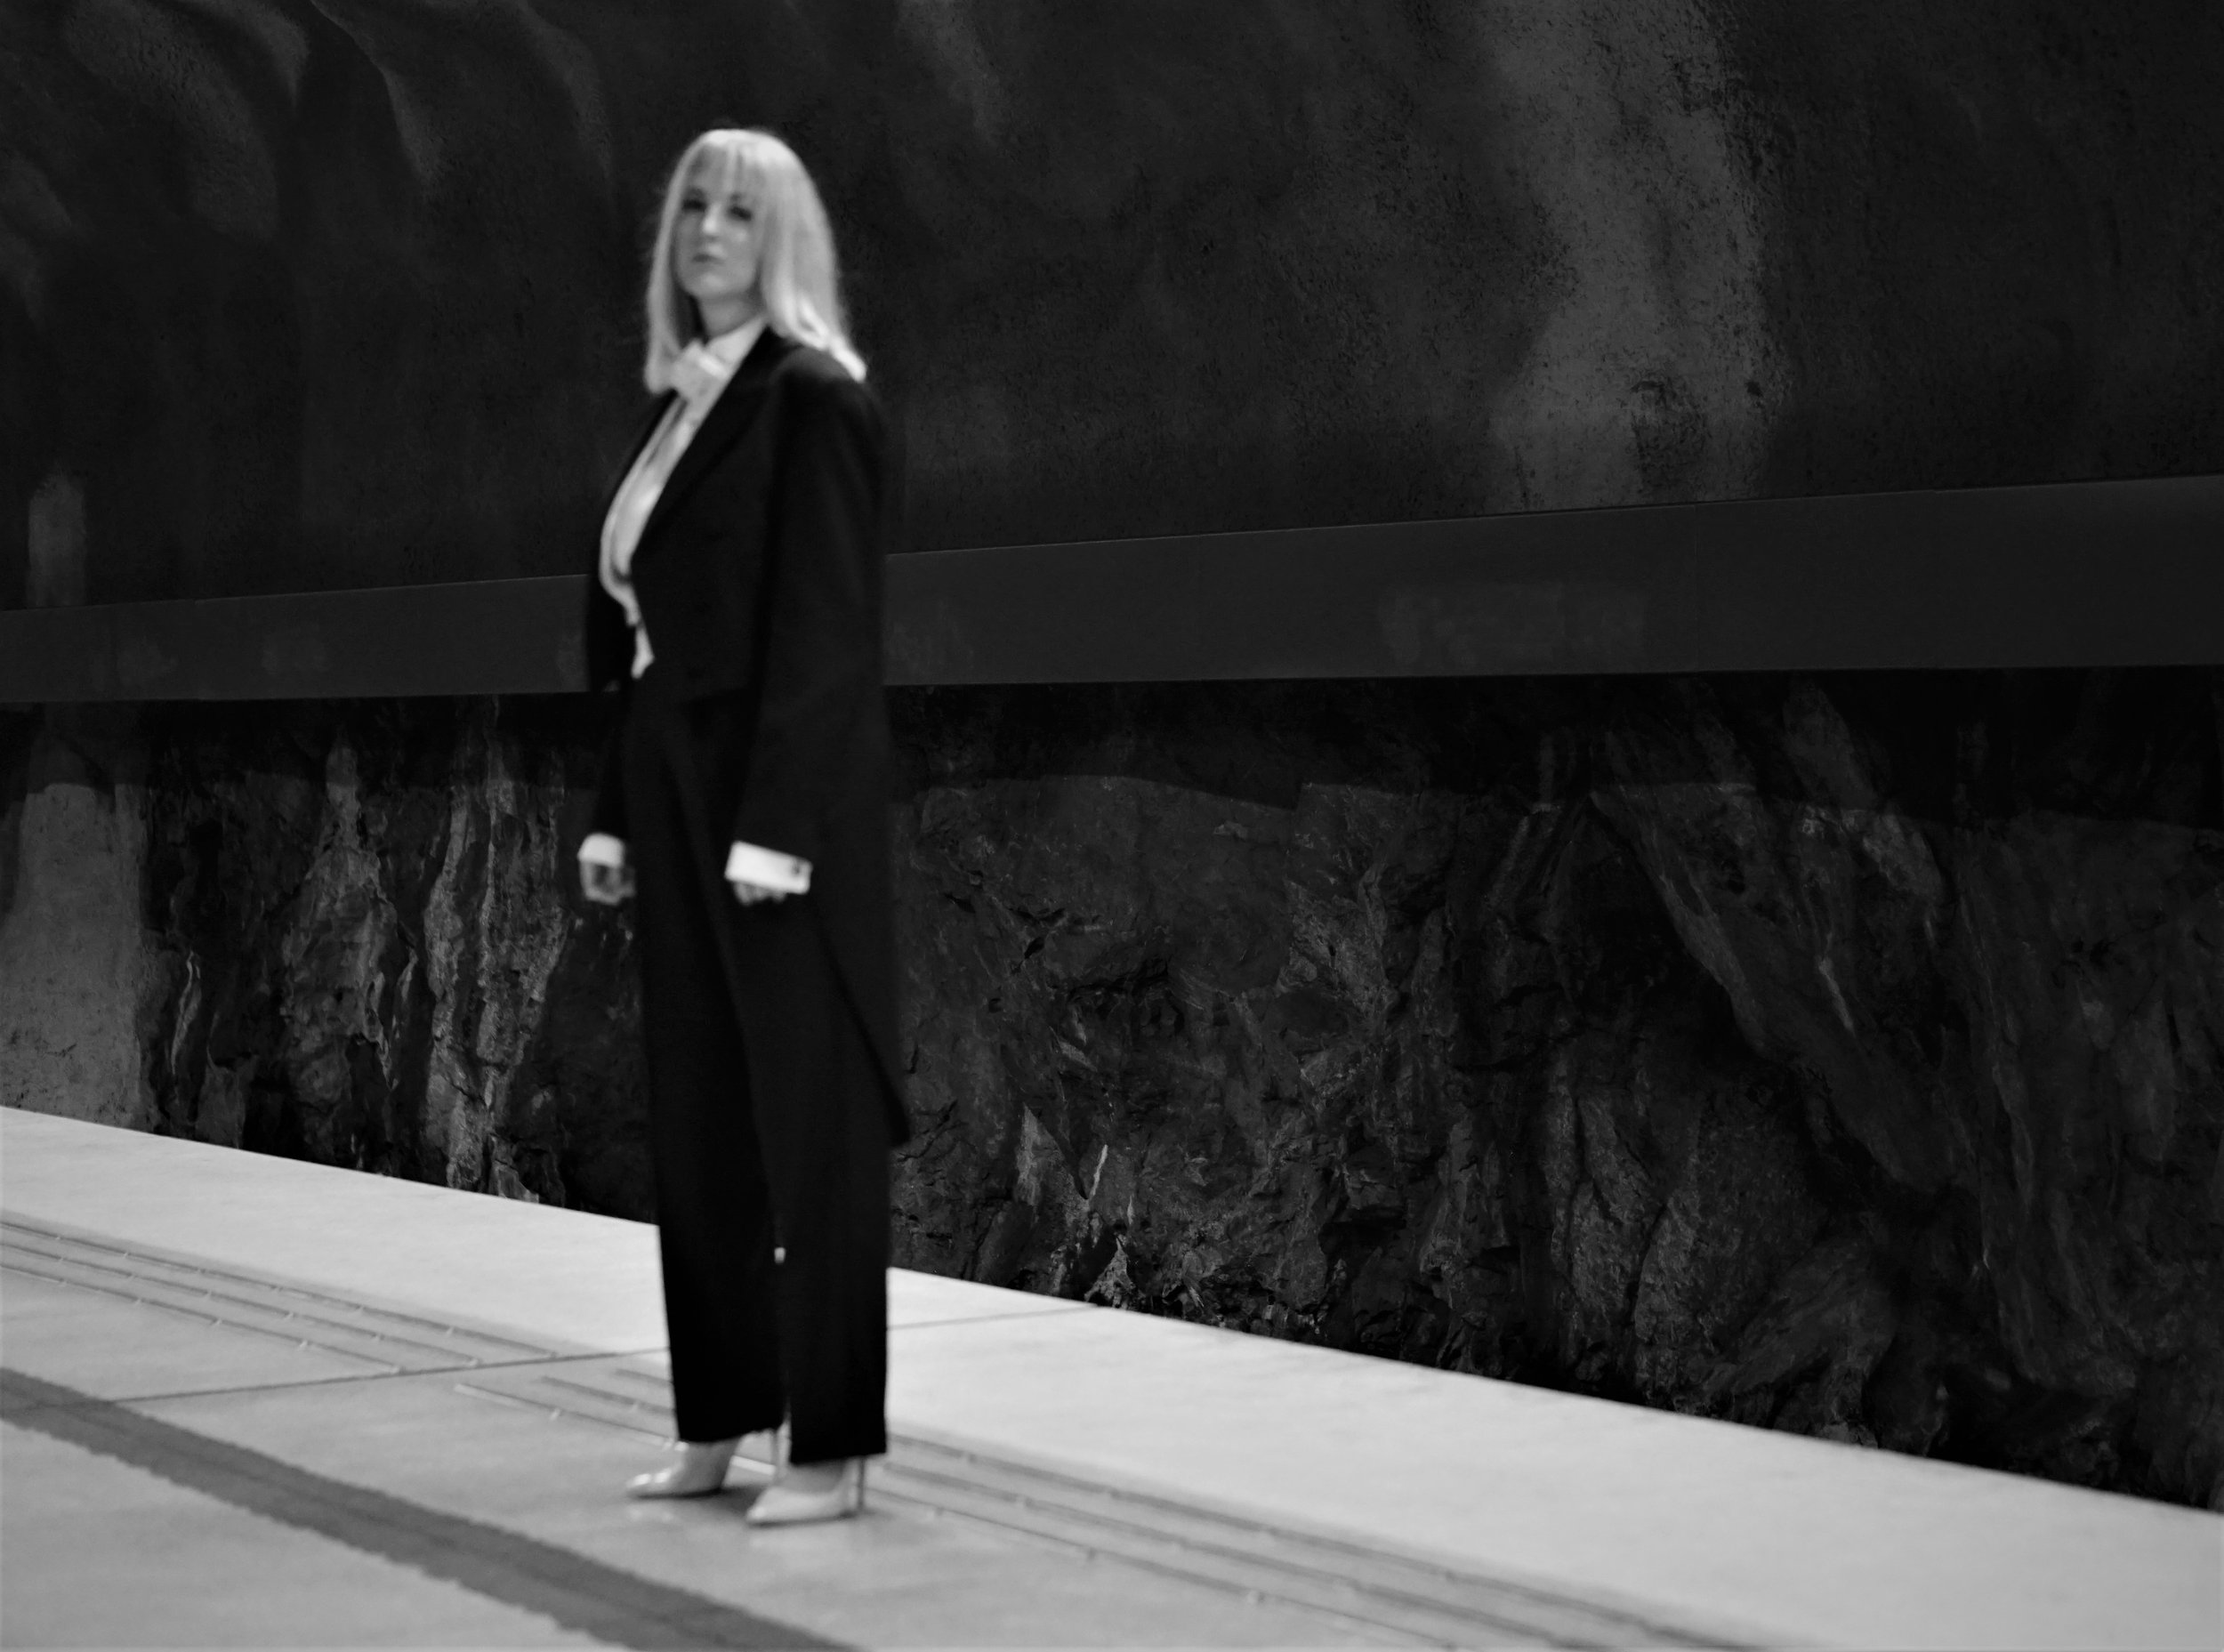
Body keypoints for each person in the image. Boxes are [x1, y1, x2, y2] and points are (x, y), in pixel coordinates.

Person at [574, 127, 908, 1526]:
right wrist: (617, 811)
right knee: (699, 1114)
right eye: (692, 207)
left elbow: (825, 635)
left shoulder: (811, 398)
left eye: (739, 211)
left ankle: (826, 1446)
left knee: (809, 1126)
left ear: (783, 240)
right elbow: (648, 639)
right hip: (673, 787)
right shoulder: (680, 407)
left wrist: (775, 828)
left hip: (775, 809)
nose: (707, 229)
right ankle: (718, 1416)